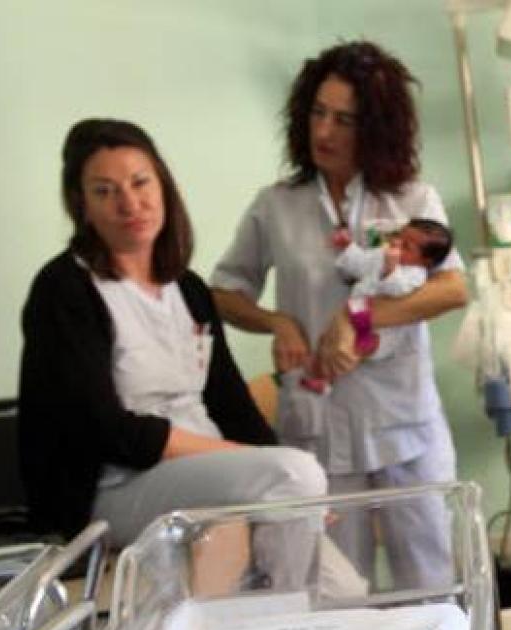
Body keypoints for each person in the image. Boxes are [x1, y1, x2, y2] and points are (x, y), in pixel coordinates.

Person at [18, 118, 326, 591]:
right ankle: (280, 620)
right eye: (105, 191)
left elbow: (230, 404)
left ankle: (278, 604)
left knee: (345, 588)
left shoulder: (188, 288)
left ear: (163, 186)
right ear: (82, 206)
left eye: (140, 183)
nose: (130, 204)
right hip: (117, 486)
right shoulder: (65, 289)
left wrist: (287, 484)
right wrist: (266, 469)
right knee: (294, 475)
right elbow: (110, 431)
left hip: (205, 468)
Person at [212, 41, 466, 589]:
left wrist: (360, 318)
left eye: (344, 120)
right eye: (317, 113)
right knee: (335, 590)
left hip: (402, 417)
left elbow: (452, 289)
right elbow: (224, 293)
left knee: (433, 580)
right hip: (318, 423)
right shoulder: (276, 205)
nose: (324, 131)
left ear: (375, 128)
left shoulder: (411, 200)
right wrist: (276, 322)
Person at [302, 217, 454, 391]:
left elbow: (398, 289)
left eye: (406, 246)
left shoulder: (415, 274)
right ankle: (317, 372)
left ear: (425, 261)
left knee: (347, 350)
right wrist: (348, 247)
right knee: (329, 340)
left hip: (381, 327)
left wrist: (390, 270)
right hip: (357, 309)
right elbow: (362, 264)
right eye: (398, 236)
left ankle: (326, 378)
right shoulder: (383, 254)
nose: (396, 243)